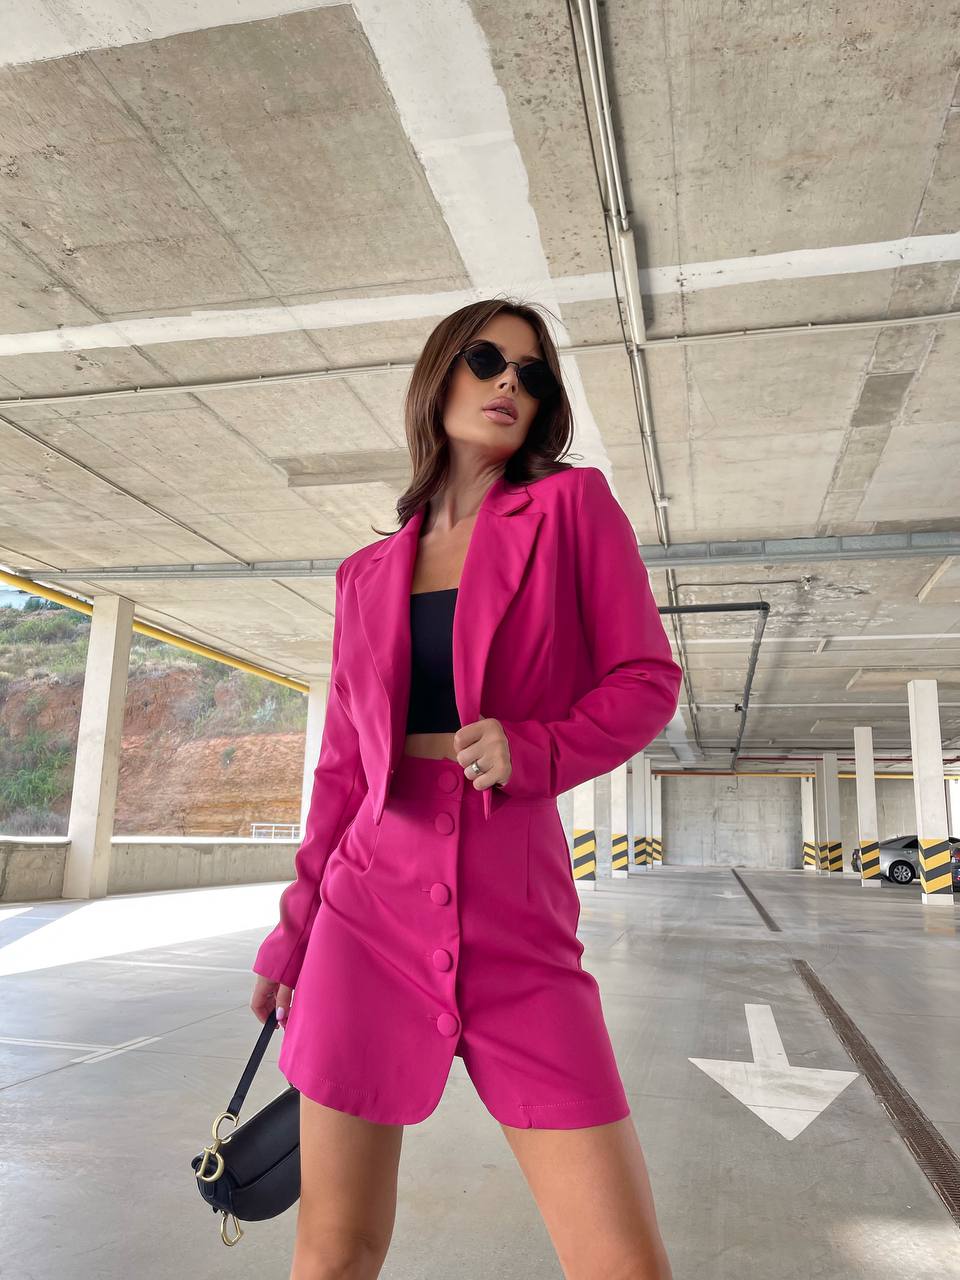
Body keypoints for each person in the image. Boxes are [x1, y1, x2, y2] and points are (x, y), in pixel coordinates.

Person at [250, 297, 682, 1279]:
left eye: (532, 373)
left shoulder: (573, 509)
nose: (509, 383)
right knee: (334, 1251)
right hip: (363, 915)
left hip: (518, 916)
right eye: (488, 360)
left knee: (622, 1262)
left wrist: (537, 749)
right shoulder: (363, 574)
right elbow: (343, 770)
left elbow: (645, 679)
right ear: (439, 375)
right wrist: (293, 933)